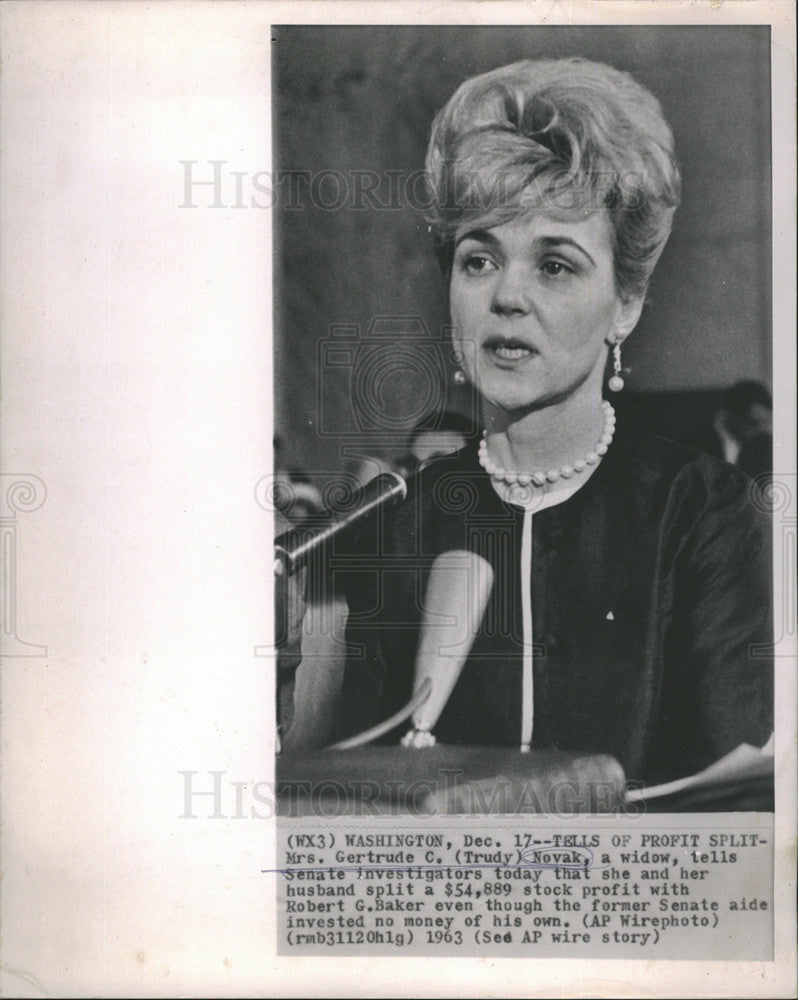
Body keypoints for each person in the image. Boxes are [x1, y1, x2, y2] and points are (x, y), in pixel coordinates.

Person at [286, 58, 773, 788]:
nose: (507, 295)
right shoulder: (398, 522)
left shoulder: (703, 509)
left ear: (626, 306)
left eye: (555, 266)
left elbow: (733, 801)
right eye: (479, 259)